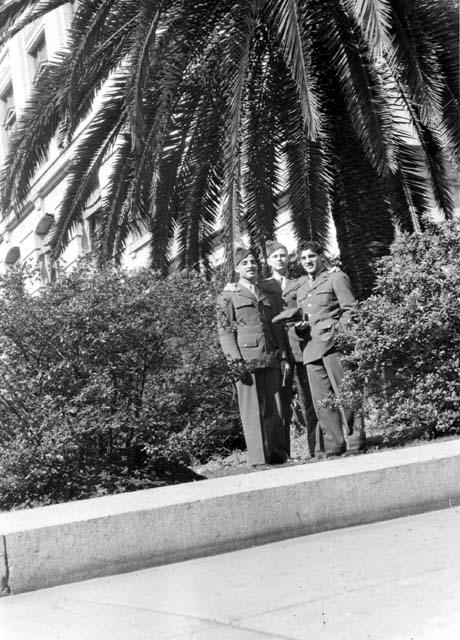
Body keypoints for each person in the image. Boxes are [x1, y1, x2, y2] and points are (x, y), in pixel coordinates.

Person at [216, 247, 290, 465]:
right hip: (246, 360)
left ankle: (277, 455)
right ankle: (259, 458)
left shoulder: (265, 294)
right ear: (237, 268)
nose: (251, 265)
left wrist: (283, 355)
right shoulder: (227, 295)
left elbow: (276, 327)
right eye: (245, 263)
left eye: (253, 262)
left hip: (270, 356)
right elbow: (225, 330)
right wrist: (235, 361)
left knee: (274, 407)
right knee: (251, 410)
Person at [296, 241, 365, 456]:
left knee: (346, 393)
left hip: (334, 346)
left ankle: (356, 442)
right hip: (311, 348)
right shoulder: (302, 288)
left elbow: (350, 310)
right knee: (322, 402)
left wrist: (340, 334)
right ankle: (334, 445)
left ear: (321, 256)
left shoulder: (336, 277)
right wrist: (301, 327)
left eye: (311, 256)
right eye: (304, 258)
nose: (308, 261)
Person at [259, 240, 319, 457]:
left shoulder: (301, 282)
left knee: (309, 398)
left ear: (288, 258)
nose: (280, 259)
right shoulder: (262, 287)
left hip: (301, 344)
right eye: (275, 256)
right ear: (268, 261)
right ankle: (282, 453)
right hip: (278, 348)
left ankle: (317, 447)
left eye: (283, 255)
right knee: (280, 402)